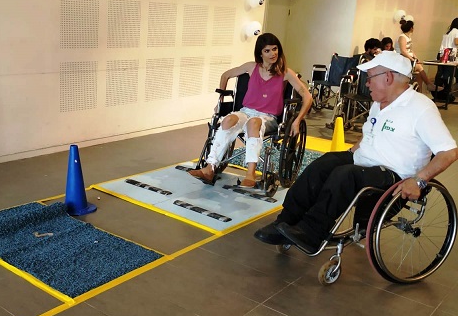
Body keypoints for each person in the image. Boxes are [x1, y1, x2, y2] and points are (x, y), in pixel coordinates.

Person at [253, 50, 458, 253]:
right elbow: (370, 134)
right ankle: (286, 220)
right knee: (324, 164)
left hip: (393, 174)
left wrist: (419, 180)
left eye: (370, 78)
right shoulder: (379, 104)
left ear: (387, 77)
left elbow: (449, 152)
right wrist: (347, 154)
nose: (366, 83)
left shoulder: (421, 108)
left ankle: (312, 231)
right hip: (364, 161)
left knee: (345, 176)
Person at [189, 33, 312, 187]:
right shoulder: (251, 67)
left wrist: (297, 120)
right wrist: (220, 100)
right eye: (267, 51)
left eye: (275, 49)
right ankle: (209, 168)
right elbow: (225, 75)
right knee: (228, 119)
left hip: (268, 117)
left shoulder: (285, 72)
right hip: (246, 111)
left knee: (253, 122)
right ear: (260, 53)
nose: (273, 53)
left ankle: (250, 174)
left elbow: (307, 96)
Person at [394, 19, 440, 92]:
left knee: (419, 74)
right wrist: (412, 59)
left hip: (409, 59)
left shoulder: (408, 37)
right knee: (419, 67)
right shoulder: (402, 37)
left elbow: (411, 50)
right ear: (411, 28)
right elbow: (403, 51)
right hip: (402, 60)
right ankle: (429, 84)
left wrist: (416, 58)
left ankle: (420, 92)